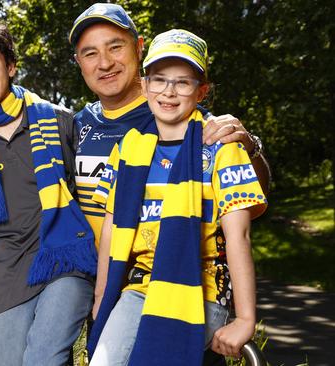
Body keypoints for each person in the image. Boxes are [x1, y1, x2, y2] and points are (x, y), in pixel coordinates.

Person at [88, 29, 267, 366]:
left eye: (182, 82)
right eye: (159, 80)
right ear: (144, 85)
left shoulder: (222, 150)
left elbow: (239, 235)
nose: (168, 92)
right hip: (139, 288)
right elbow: (111, 229)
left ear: (202, 91)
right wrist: (102, 296)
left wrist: (245, 319)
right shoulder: (128, 148)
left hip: (199, 290)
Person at [0, 14, 97, 365]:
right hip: (6, 280)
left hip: (65, 262)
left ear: (10, 66)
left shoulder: (60, 122)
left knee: (42, 357)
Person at [68, 2, 270, 251]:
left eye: (115, 47)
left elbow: (250, 198)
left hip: (156, 281)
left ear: (139, 47)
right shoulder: (76, 125)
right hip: (90, 278)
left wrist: (250, 148)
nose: (105, 63)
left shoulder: (177, 115)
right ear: (79, 62)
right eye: (90, 53)